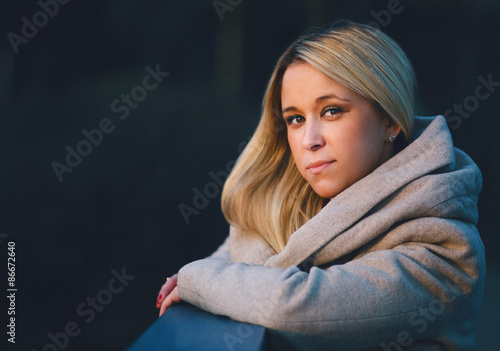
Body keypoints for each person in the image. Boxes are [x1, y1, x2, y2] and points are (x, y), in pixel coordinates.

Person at [155, 20, 485, 350]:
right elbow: (236, 262)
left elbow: (292, 306)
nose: (309, 141)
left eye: (331, 111)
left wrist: (194, 279)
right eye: (295, 119)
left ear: (391, 119)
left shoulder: (446, 250)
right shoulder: (292, 207)